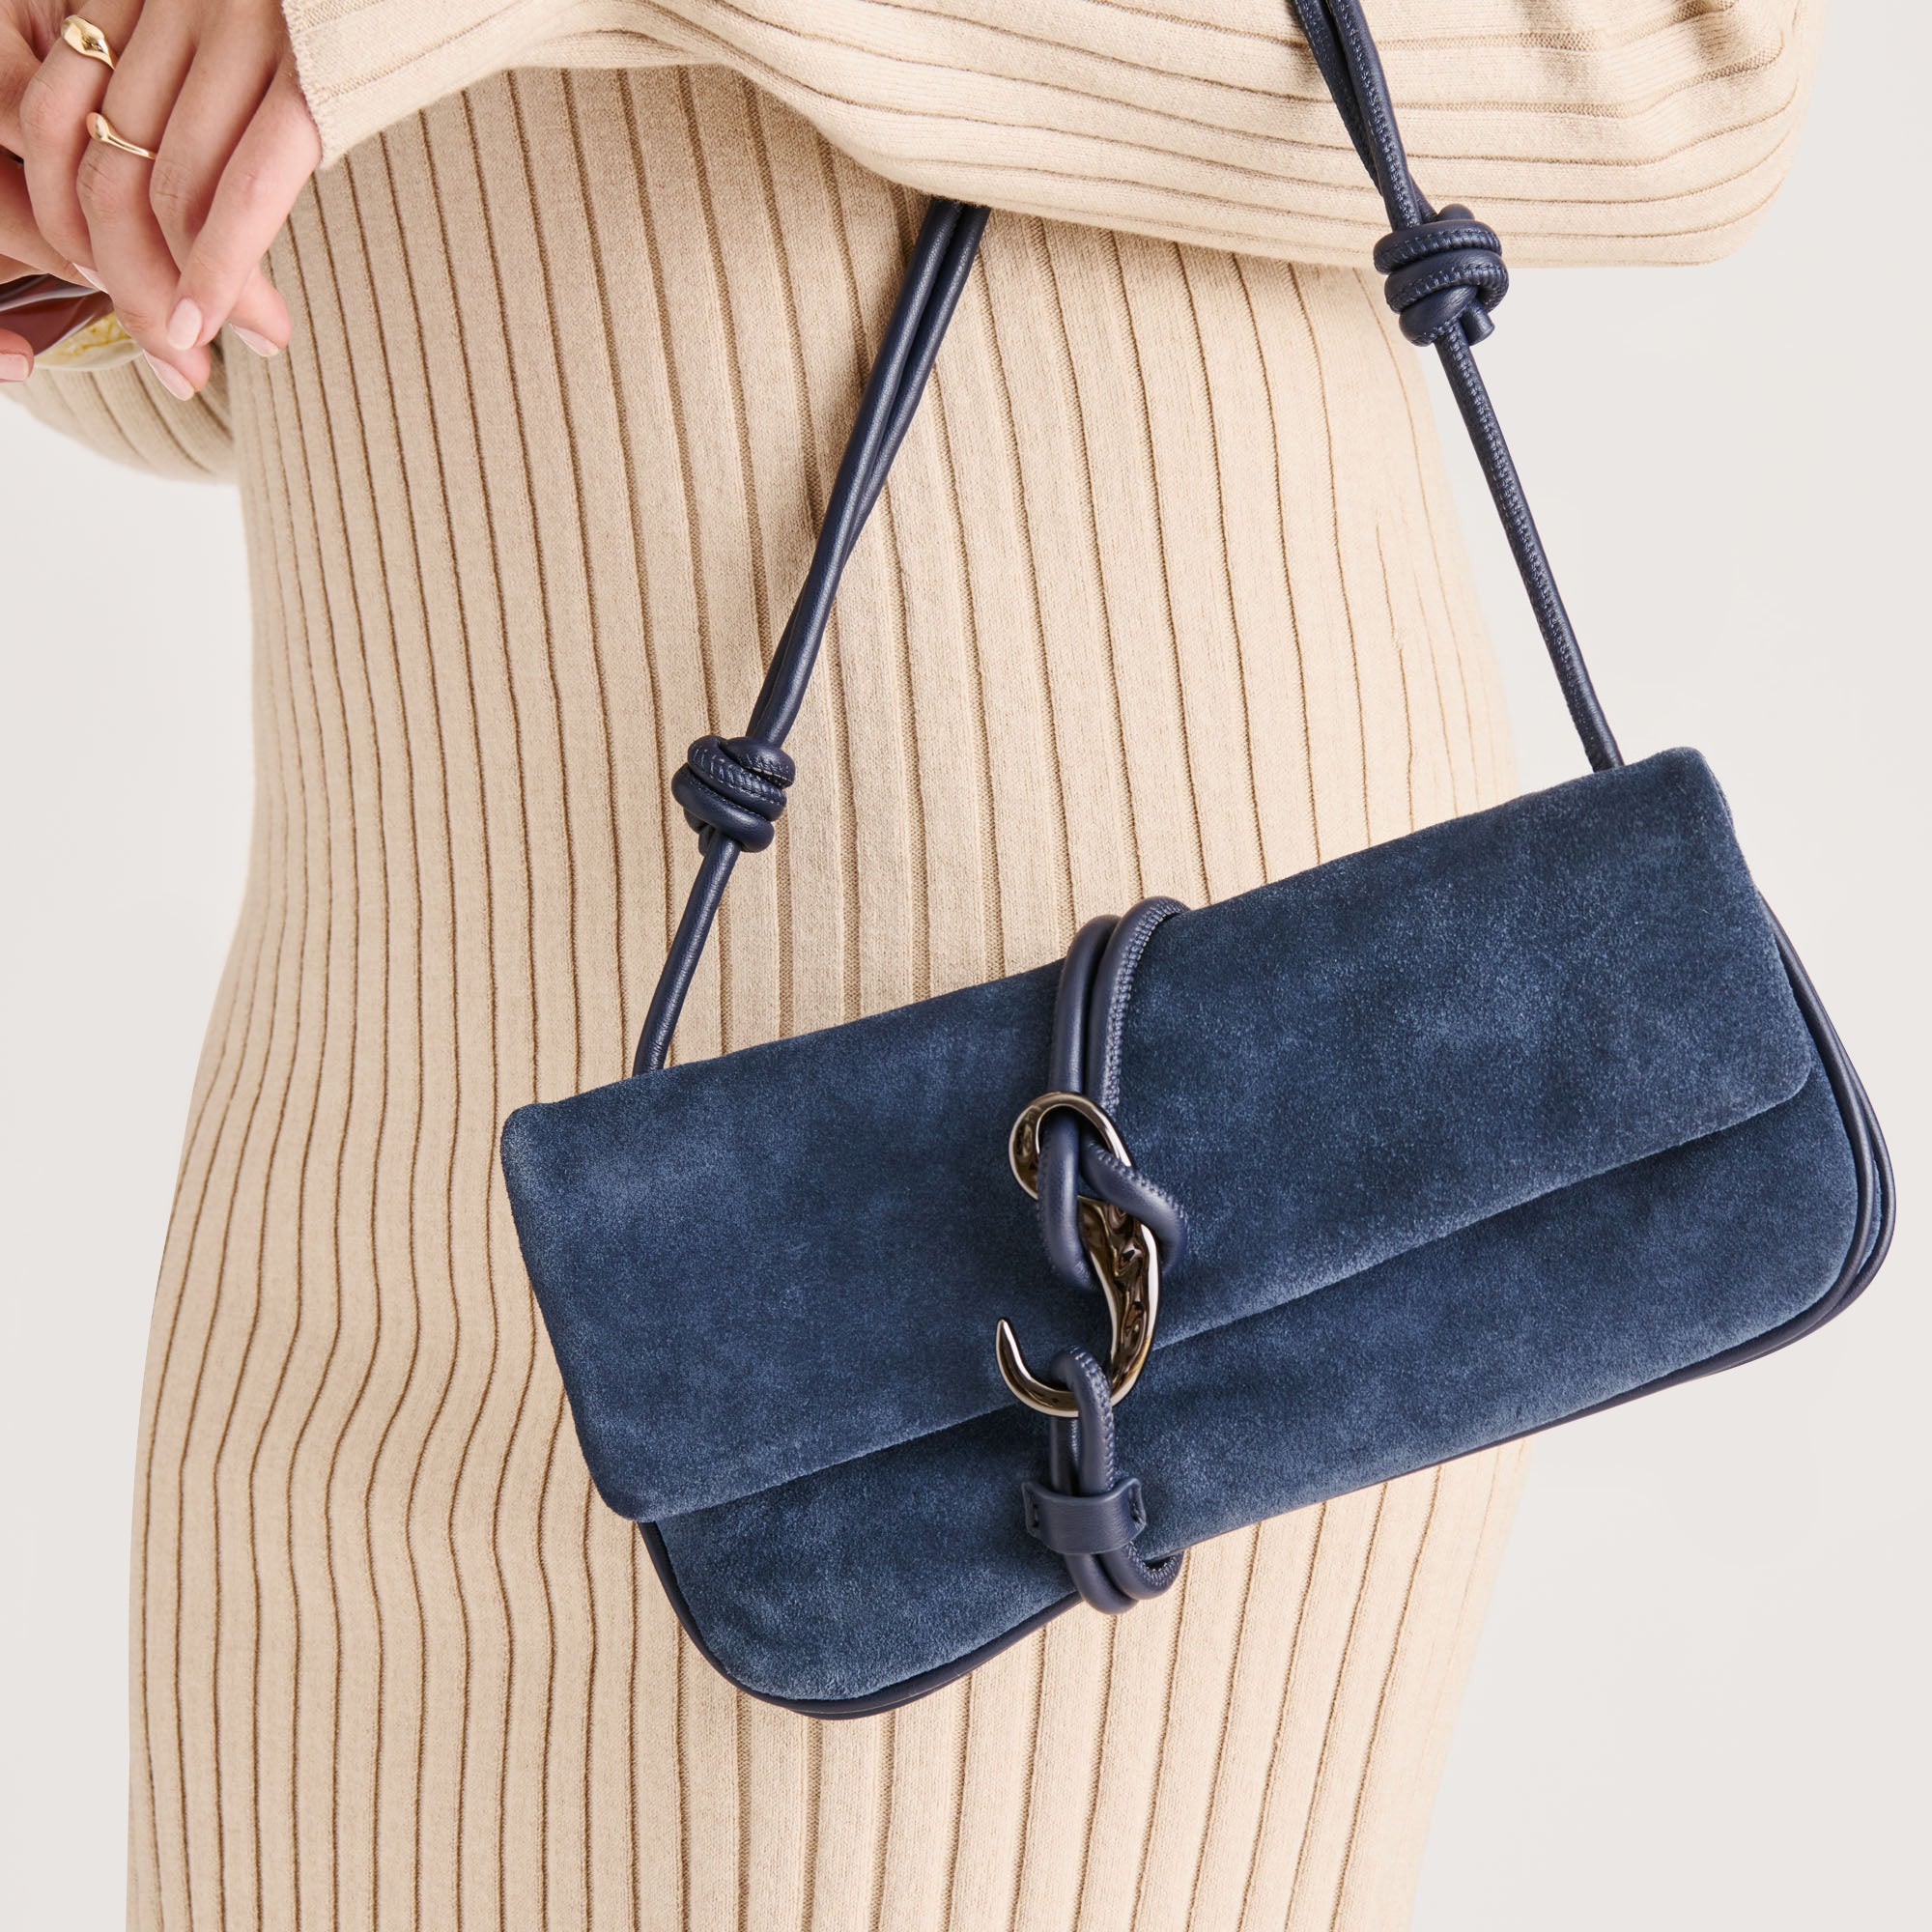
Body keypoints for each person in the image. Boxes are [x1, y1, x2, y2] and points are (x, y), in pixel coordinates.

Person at [1, 3, 1821, 1924]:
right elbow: (377, 300)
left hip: (1045, 1181)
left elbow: (1685, 70)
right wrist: (93, 165)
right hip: (383, 1160)